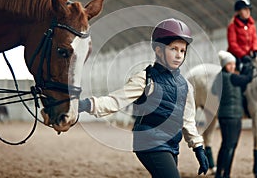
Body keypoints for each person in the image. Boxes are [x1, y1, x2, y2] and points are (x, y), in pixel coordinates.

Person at [78, 18, 209, 178]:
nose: (178, 55)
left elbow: (187, 119)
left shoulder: (186, 86)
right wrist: (85, 104)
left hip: (172, 144)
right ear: (159, 50)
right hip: (149, 141)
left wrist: (198, 148)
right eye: (173, 49)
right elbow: (115, 101)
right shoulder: (145, 79)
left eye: (182, 51)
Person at [212, 50, 253, 178]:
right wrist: (250, 67)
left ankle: (220, 173)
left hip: (225, 116)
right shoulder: (232, 77)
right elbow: (248, 79)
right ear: (224, 65)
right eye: (230, 64)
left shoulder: (219, 77)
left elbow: (213, 91)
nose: (233, 67)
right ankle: (226, 174)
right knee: (231, 146)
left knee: (226, 145)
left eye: (233, 64)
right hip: (233, 117)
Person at [227, 0, 257, 71]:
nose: (248, 11)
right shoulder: (232, 26)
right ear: (238, 11)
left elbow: (255, 40)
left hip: (249, 56)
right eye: (245, 9)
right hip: (237, 57)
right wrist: (242, 55)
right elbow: (232, 44)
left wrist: (256, 50)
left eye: (249, 9)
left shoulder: (252, 26)